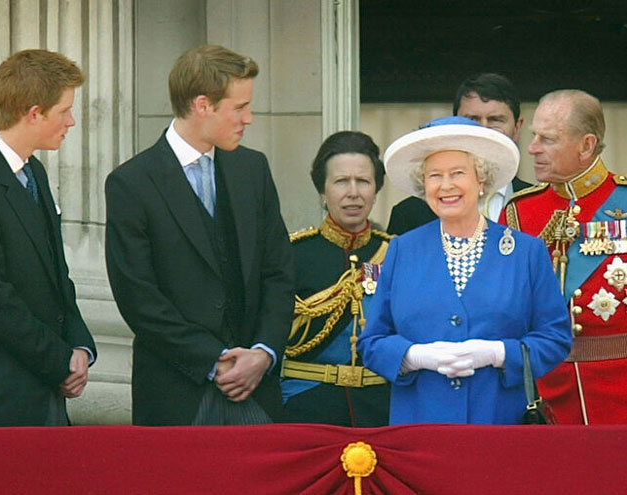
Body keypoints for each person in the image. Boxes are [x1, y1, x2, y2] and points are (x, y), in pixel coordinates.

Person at [105, 45, 294, 426]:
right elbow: (138, 297)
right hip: (176, 396)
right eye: (239, 107)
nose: (249, 118)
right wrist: (213, 360)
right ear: (203, 105)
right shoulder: (131, 183)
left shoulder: (253, 169)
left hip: (258, 394)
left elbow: (279, 272)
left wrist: (263, 353)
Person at [358, 116, 571, 425]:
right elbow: (372, 343)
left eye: (458, 173)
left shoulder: (526, 252)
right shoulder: (402, 250)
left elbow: (555, 339)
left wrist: (498, 353)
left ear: (481, 180)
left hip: (500, 423)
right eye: (434, 176)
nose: (446, 186)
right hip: (420, 425)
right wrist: (413, 356)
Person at [0, 49, 96, 426]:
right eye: (64, 111)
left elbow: (57, 276)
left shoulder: (33, 171)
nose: (71, 121)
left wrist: (80, 347)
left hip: (46, 388)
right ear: (34, 113)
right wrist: (60, 360)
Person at [501, 89, 627, 424]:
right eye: (533, 137)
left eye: (548, 139)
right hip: (546, 395)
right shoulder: (519, 212)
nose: (532, 149)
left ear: (587, 145)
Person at [281, 131, 392, 427]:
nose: (353, 192)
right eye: (341, 181)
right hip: (307, 407)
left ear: (375, 190)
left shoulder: (395, 254)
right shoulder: (291, 255)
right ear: (322, 191)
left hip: (380, 412)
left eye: (363, 181)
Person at [387, 73, 531, 234]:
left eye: (495, 120)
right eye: (472, 120)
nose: (483, 129)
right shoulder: (409, 214)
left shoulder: (539, 205)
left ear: (517, 128)